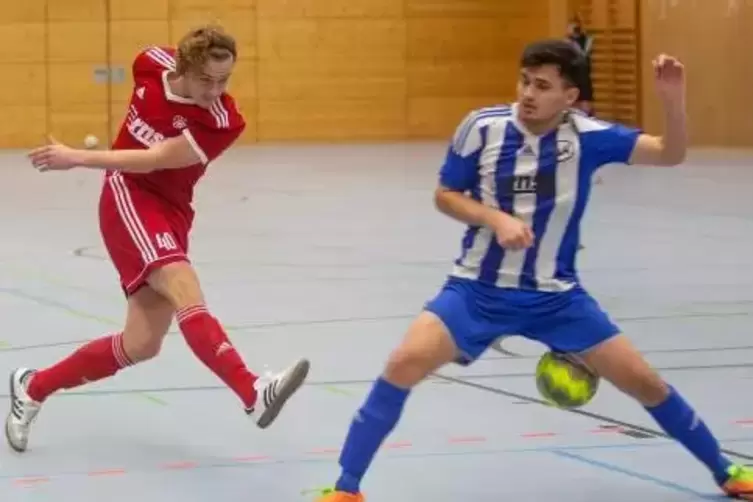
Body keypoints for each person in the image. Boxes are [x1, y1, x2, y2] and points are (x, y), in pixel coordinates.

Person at [314, 39, 753, 501]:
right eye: (525, 81)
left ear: (569, 97)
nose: (528, 93)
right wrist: (494, 218)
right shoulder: (482, 127)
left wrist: (672, 102)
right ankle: (346, 488)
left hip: (557, 298)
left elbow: (670, 153)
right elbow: (445, 194)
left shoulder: (588, 137)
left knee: (645, 382)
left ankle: (726, 470)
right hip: (476, 290)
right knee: (403, 364)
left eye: (543, 86)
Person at [7, 25, 310, 453]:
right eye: (207, 79)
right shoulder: (149, 63)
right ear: (183, 68)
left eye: (224, 80)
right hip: (128, 195)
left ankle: (32, 387)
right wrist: (81, 159)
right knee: (184, 285)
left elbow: (155, 159)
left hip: (171, 209)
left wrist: (76, 157)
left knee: (142, 343)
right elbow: (138, 165)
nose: (216, 90)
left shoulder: (223, 121)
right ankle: (252, 393)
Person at [566, 16, 594, 116]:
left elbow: (583, 55)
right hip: (572, 80)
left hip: (584, 80)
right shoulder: (566, 42)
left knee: (585, 112)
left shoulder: (587, 40)